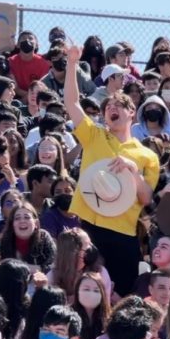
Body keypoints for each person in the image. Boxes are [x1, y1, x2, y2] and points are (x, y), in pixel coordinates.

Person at [64, 44, 159, 297]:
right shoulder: (94, 135)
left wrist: (132, 171)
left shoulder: (147, 155)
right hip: (89, 229)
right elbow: (72, 103)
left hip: (124, 234)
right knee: (82, 294)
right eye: (108, 107)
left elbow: (147, 198)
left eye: (119, 106)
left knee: (122, 297)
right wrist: (72, 62)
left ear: (131, 113)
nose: (111, 109)